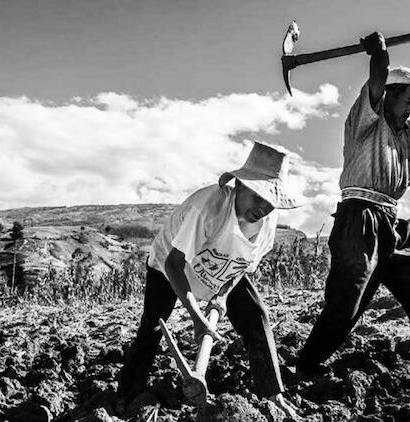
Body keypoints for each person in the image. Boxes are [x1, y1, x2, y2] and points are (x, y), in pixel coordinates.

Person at [297, 22, 410, 376]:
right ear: (389, 95)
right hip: (359, 217)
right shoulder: (365, 122)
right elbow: (379, 75)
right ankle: (307, 365)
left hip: (392, 223)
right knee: (349, 297)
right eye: (409, 100)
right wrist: (379, 53)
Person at [118, 142, 299, 417]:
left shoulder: (266, 228)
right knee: (153, 327)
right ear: (239, 185)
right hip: (170, 266)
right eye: (258, 195)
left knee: (255, 316)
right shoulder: (208, 208)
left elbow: (241, 268)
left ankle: (272, 393)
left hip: (219, 272)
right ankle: (126, 395)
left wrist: (222, 296)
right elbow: (174, 265)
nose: (263, 207)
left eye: (271, 201)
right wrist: (196, 317)